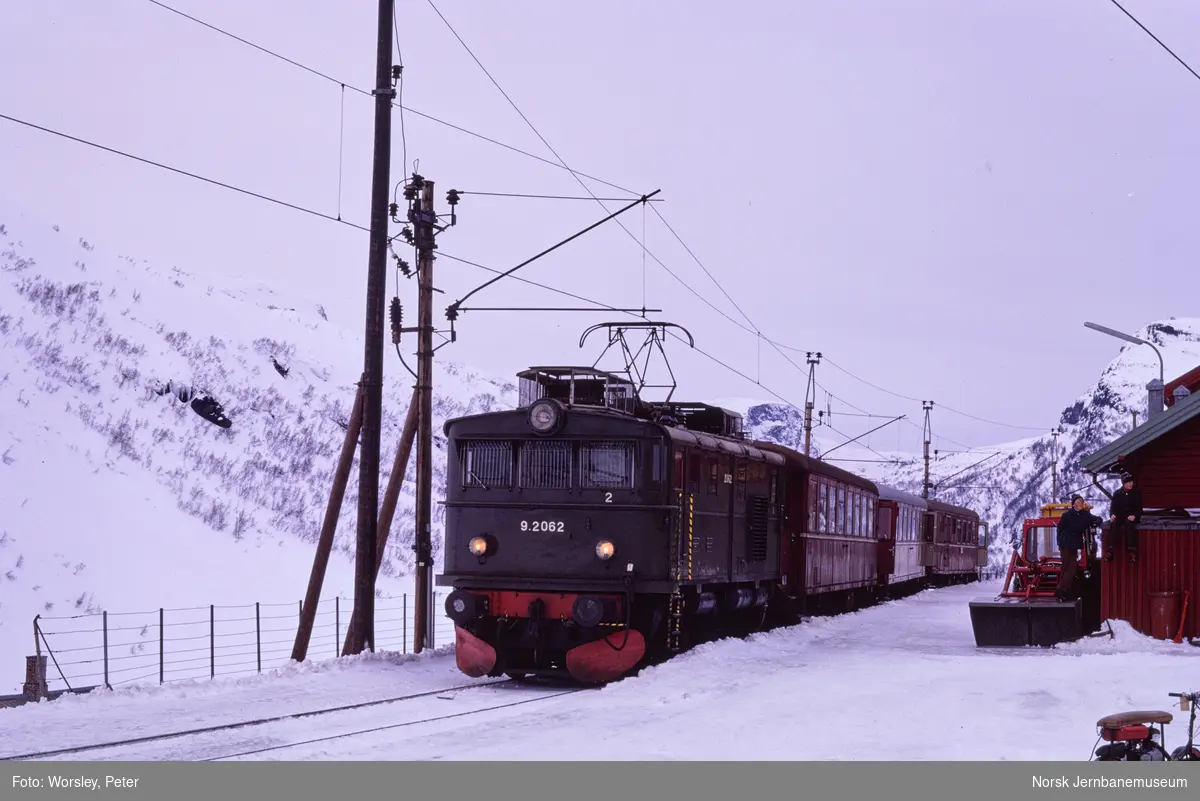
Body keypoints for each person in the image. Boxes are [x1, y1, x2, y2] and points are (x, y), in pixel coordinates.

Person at [1055, 495, 1103, 600]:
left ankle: (1062, 589)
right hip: (1065, 542)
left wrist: (1094, 525)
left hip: (1075, 544)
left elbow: (1099, 519)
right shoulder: (1067, 515)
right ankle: (1062, 590)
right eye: (1077, 502)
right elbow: (1059, 528)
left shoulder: (1086, 515)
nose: (1079, 504)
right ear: (1073, 504)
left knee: (1072, 568)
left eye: (1081, 502)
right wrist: (1058, 541)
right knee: (1066, 566)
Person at [1107, 472, 1144, 564]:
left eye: (1131, 482)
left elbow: (1139, 510)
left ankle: (1132, 552)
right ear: (1124, 483)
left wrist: (1135, 516)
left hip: (1131, 517)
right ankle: (1110, 550)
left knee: (1129, 524)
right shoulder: (1117, 494)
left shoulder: (1136, 494)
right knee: (1114, 524)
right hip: (1120, 516)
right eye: (1128, 482)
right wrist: (1112, 515)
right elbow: (1113, 509)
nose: (1130, 484)